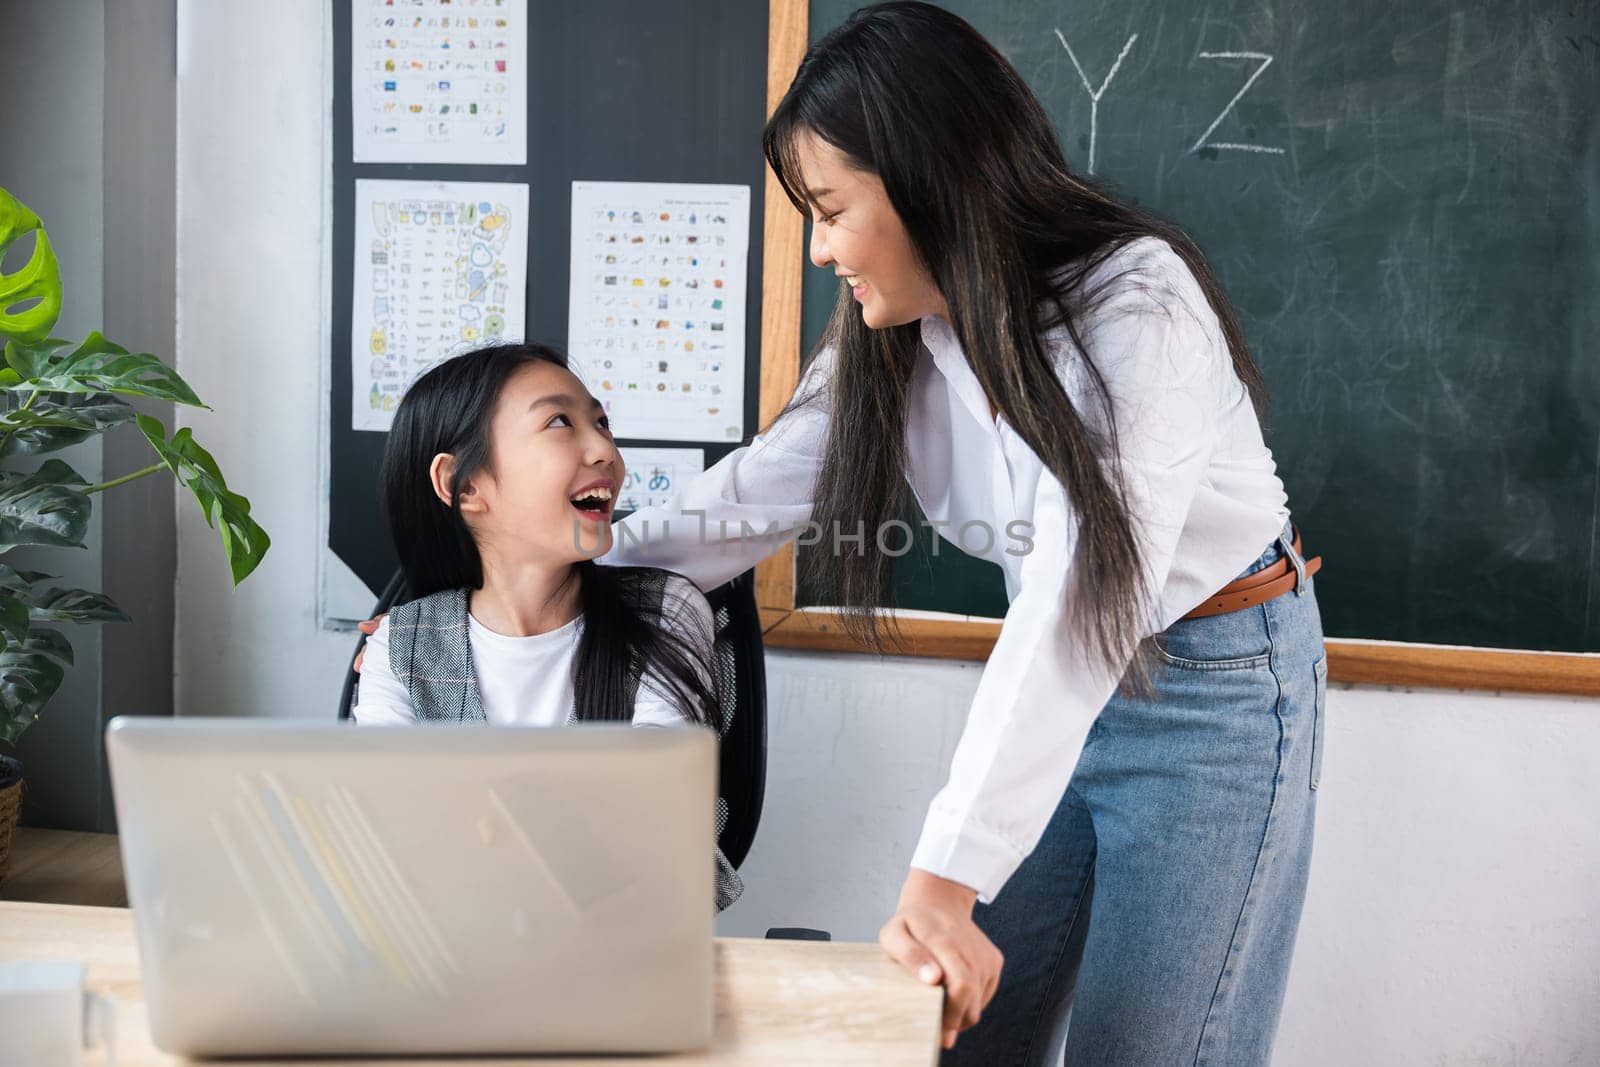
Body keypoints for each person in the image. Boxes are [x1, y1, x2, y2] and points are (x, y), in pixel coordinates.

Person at [603, 3, 1326, 1061]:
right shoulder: (893, 332)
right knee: (961, 1032)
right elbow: (745, 499)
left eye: (832, 209)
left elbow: (1085, 590)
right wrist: (519, 571)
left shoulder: (1137, 304)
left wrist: (942, 879)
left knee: (1148, 1047)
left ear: (928, 178)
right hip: (1054, 687)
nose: (816, 250)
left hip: (1210, 685)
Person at [352, 341, 742, 913]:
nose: (605, 449)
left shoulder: (665, 614)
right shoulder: (402, 645)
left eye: (602, 423)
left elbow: (656, 820)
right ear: (464, 485)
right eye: (561, 421)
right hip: (453, 966)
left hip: (622, 960)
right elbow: (387, 836)